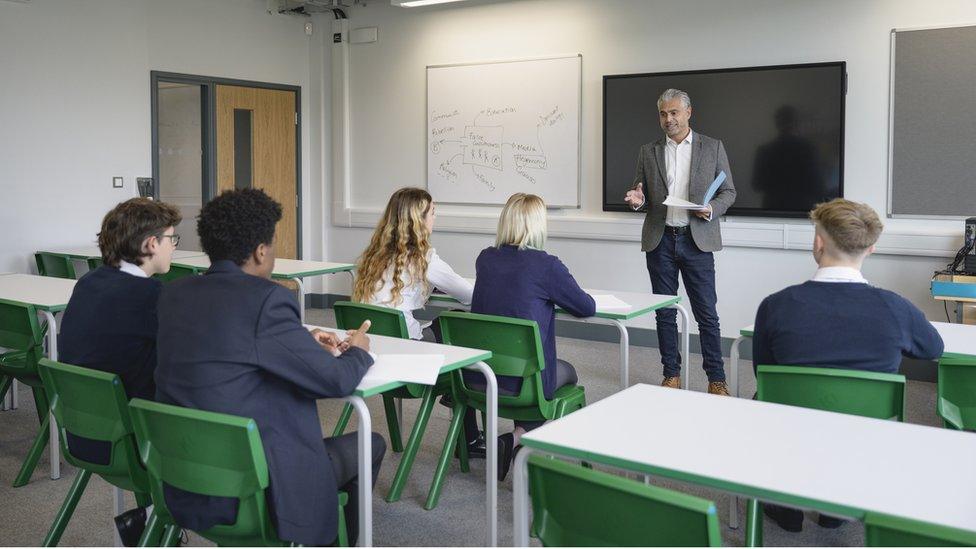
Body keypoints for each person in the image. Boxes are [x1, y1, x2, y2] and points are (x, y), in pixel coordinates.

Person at [155, 188, 384, 547]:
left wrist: (302, 342)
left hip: (185, 471)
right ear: (261, 251)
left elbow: (230, 348)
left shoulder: (174, 294)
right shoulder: (268, 298)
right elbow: (336, 380)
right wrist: (359, 350)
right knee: (371, 443)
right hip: (254, 482)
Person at [753, 198, 944, 533]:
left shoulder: (775, 306)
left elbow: (763, 373)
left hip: (791, 436)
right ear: (870, 249)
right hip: (864, 441)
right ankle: (837, 505)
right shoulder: (895, 309)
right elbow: (933, 348)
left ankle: (785, 507)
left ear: (818, 243)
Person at [58, 197, 182, 545]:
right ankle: (156, 514)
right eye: (172, 239)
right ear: (150, 244)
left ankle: (152, 516)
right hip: (134, 447)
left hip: (84, 435)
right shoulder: (151, 295)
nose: (174, 247)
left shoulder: (89, 283)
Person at [465, 192, 595, 479]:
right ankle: (517, 438)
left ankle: (516, 438)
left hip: (479, 378)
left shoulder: (485, 259)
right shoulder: (546, 265)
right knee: (565, 373)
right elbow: (586, 306)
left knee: (525, 365)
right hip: (522, 385)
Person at [624, 88, 737, 395]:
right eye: (663, 114)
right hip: (660, 241)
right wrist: (637, 200)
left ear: (689, 112)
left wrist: (712, 209)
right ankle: (671, 374)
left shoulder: (712, 147)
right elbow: (640, 193)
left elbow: (729, 192)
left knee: (706, 314)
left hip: (696, 241)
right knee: (664, 312)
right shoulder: (648, 151)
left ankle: (716, 380)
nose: (668, 119)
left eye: (674, 112)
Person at [352, 187, 473, 341]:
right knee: (457, 317)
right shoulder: (425, 258)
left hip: (368, 341)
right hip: (406, 345)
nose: (435, 217)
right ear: (419, 221)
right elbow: (470, 295)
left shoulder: (374, 256)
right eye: (432, 212)